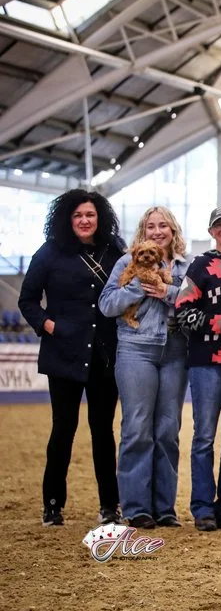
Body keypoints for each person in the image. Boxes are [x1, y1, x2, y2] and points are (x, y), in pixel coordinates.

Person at [18, 189, 125, 527]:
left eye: (90, 215)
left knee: (103, 432)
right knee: (62, 430)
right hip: (63, 354)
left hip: (105, 355)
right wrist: (47, 325)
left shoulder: (115, 250)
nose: (84, 220)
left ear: (100, 218)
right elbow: (28, 300)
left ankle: (110, 506)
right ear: (68, 218)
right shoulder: (49, 252)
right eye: (78, 215)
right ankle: (52, 504)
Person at [99, 206, 190, 529]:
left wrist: (168, 292)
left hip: (175, 351)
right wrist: (138, 286)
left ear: (173, 230)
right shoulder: (126, 262)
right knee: (137, 428)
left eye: (163, 225)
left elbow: (195, 303)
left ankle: (164, 508)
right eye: (150, 226)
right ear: (143, 232)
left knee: (168, 430)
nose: (157, 231)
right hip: (136, 350)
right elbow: (107, 304)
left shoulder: (185, 264)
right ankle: (137, 507)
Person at [175, 206, 221, 532]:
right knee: (204, 437)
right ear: (211, 231)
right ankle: (203, 508)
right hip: (207, 362)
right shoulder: (201, 265)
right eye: (219, 225)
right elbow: (183, 312)